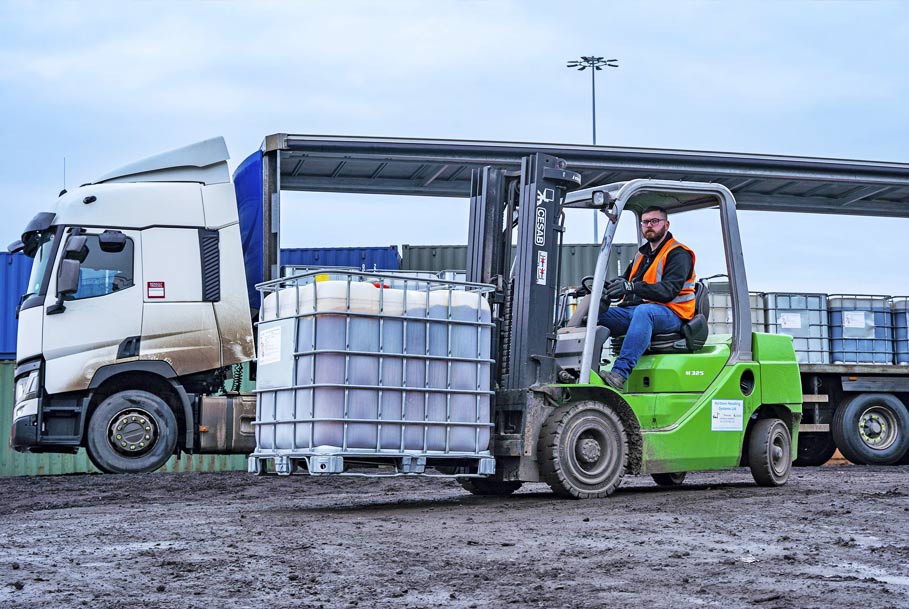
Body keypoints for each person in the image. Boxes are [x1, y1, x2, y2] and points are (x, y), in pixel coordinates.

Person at [599, 205, 696, 391]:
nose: (649, 225)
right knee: (597, 315)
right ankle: (581, 369)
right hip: (639, 311)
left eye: (654, 221)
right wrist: (606, 287)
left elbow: (668, 290)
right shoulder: (642, 254)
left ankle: (619, 373)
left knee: (645, 312)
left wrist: (632, 287)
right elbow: (626, 280)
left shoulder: (678, 253)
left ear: (666, 224)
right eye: (645, 222)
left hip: (674, 314)